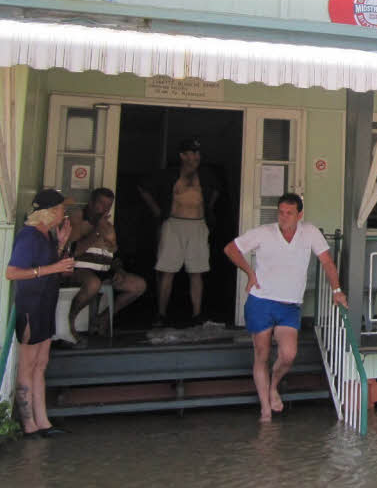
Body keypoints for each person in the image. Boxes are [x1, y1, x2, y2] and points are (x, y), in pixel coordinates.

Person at [223, 193, 347, 422]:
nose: (284, 217)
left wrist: (337, 290)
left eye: (289, 213)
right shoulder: (264, 232)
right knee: (261, 354)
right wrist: (249, 273)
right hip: (261, 301)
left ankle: (273, 387)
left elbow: (327, 262)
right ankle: (265, 410)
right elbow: (231, 249)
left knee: (288, 355)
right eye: (281, 212)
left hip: (289, 305)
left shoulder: (309, 232)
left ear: (300, 215)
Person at [5, 189, 77, 437]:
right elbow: (12, 272)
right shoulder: (29, 236)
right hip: (31, 305)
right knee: (27, 364)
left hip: (46, 303)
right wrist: (53, 267)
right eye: (60, 209)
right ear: (48, 212)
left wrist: (61, 245)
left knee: (41, 363)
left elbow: (48, 265)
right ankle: (29, 424)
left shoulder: (47, 236)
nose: (63, 213)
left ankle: (43, 421)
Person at [139, 137, 220, 327]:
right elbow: (143, 188)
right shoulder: (169, 174)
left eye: (197, 153)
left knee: (197, 270)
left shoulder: (206, 175)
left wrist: (208, 210)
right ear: (182, 155)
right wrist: (157, 211)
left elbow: (216, 191)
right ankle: (161, 314)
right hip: (174, 224)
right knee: (167, 270)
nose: (196, 156)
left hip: (198, 224)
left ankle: (197, 314)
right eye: (191, 153)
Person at [64, 187, 147, 341]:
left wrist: (119, 269)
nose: (105, 208)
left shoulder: (108, 227)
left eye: (109, 205)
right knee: (93, 284)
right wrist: (97, 231)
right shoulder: (78, 218)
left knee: (139, 285)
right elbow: (73, 252)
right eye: (101, 204)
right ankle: (71, 323)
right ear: (91, 203)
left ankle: (101, 319)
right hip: (80, 269)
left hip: (104, 269)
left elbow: (113, 256)